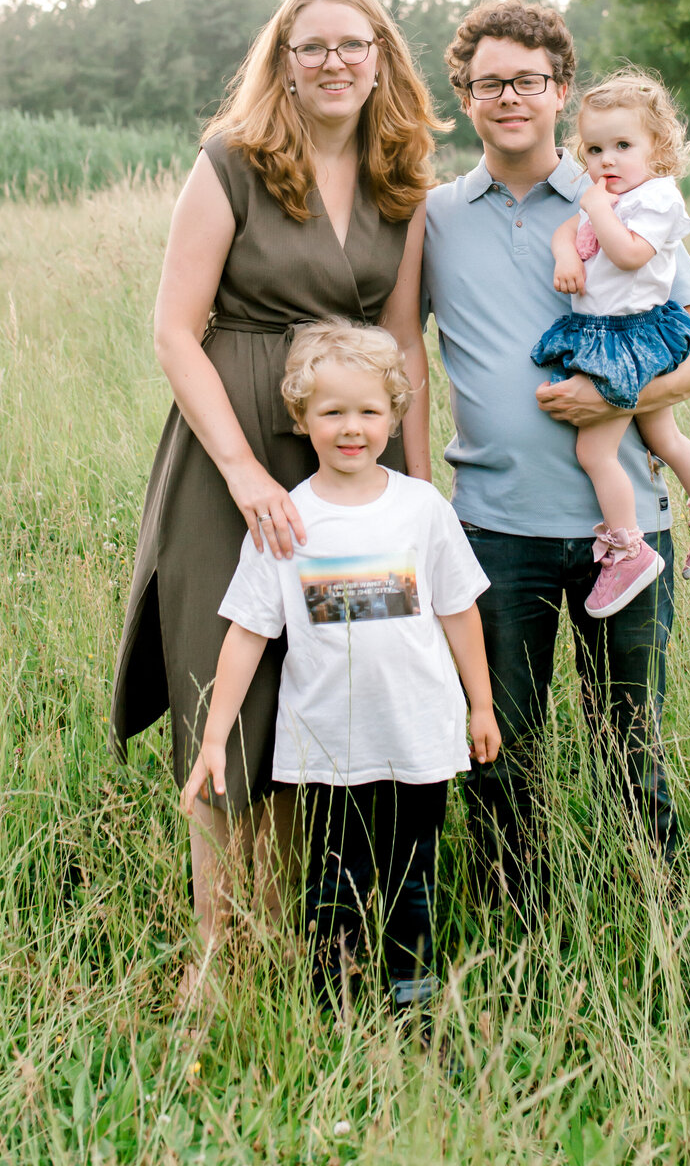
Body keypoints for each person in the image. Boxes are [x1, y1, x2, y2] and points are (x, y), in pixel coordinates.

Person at [110, 0, 443, 1004]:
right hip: (236, 445)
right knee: (231, 676)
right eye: (313, 47)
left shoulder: (404, 180)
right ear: (284, 62)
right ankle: (222, 950)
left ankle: (303, 935)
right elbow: (175, 330)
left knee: (329, 673)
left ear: (381, 58)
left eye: (354, 45)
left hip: (349, 451)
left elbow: (402, 348)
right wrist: (247, 470)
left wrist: (415, 498)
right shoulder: (233, 166)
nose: (334, 62)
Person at [421, 0, 690, 897]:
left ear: (560, 89)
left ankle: (665, 933)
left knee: (630, 749)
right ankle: (520, 944)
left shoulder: (625, 202)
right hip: (493, 528)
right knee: (500, 755)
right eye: (489, 83)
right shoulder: (435, 218)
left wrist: (611, 394)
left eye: (528, 80)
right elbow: (403, 350)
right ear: (466, 98)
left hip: (621, 532)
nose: (509, 96)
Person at [181, 320, 500, 1013]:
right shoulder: (288, 520)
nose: (351, 428)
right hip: (330, 748)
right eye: (332, 412)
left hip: (418, 738)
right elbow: (246, 634)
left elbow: (458, 610)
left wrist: (481, 705)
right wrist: (214, 737)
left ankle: (414, 1008)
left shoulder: (421, 508)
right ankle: (338, 1010)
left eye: (368, 411)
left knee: (414, 876)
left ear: (394, 414)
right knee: (336, 883)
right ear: (302, 418)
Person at [533, 69, 690, 619]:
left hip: (627, 335)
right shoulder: (612, 195)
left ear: (659, 150)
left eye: (623, 146)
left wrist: (598, 208)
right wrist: (565, 255)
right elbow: (569, 232)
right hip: (611, 330)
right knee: (660, 433)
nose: (607, 160)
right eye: (596, 148)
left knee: (594, 449)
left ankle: (626, 552)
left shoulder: (656, 198)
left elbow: (630, 255)